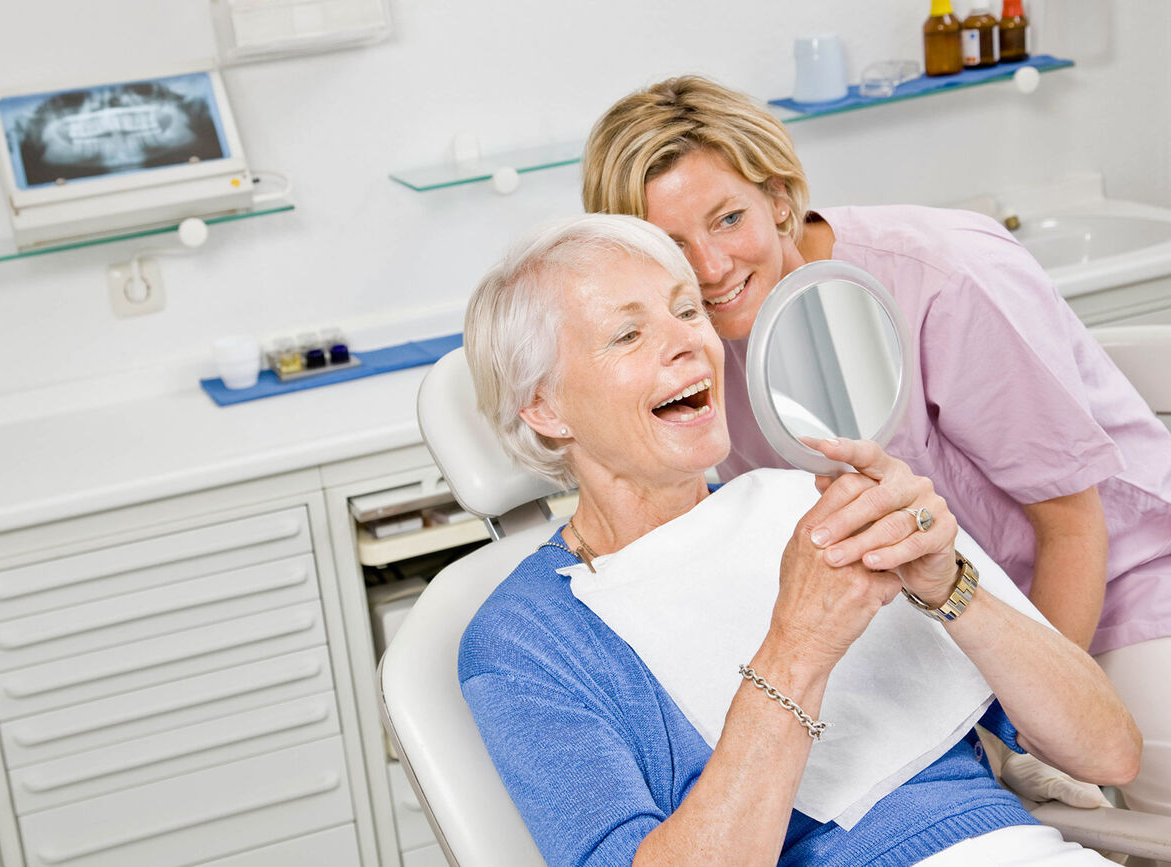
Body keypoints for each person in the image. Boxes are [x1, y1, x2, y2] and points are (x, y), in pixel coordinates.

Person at [458, 213, 1140, 866]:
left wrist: (952, 587)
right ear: (544, 408)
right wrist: (800, 645)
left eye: (687, 310)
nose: (688, 341)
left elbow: (1111, 751)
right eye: (627, 335)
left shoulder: (809, 502)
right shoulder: (526, 641)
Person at [580, 75, 1171, 817]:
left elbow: (1074, 524)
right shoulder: (696, 356)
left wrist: (1031, 730)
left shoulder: (944, 280)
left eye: (728, 218)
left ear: (780, 197)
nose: (710, 268)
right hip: (937, 645)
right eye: (670, 247)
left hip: (1118, 596)